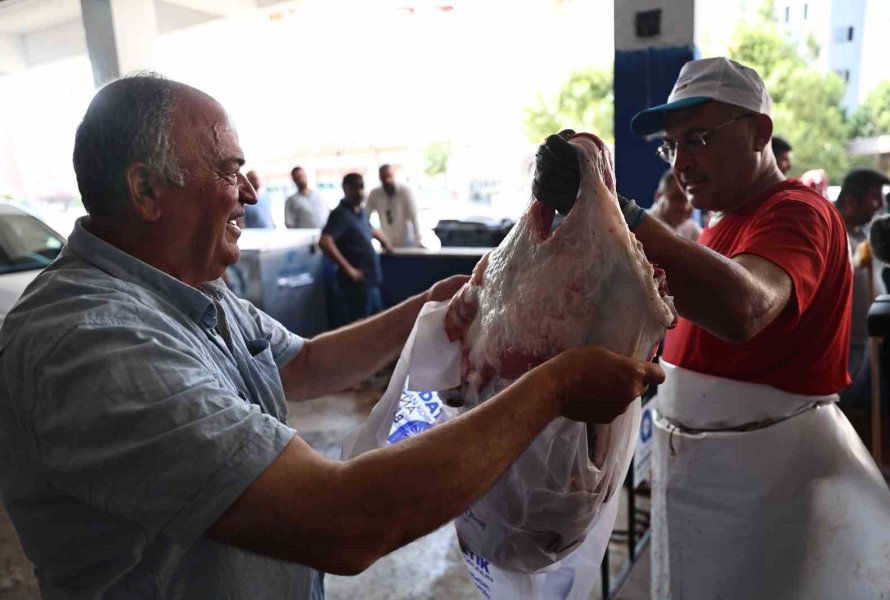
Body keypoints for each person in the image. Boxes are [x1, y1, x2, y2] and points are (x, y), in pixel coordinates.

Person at [0, 74, 664, 600]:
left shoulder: (191, 289)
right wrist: (553, 388)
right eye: (229, 170)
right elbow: (341, 522)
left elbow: (306, 365)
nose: (250, 191)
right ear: (147, 189)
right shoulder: (93, 347)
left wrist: (429, 308)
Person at [532, 57, 890, 600]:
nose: (682, 162)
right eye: (672, 146)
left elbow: (743, 309)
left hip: (770, 477)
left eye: (698, 138)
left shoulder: (797, 212)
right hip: (705, 470)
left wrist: (623, 217)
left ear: (759, 133)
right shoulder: (719, 226)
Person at [835, 168, 889, 407]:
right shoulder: (833, 234)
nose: (881, 204)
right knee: (842, 406)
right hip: (844, 344)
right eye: (875, 197)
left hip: (865, 338)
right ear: (849, 201)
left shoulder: (864, 233)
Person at [319, 173, 393, 325]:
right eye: (354, 188)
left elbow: (369, 229)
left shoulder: (360, 212)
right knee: (362, 328)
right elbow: (325, 241)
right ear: (345, 189)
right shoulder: (340, 214)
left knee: (378, 325)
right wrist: (348, 269)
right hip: (356, 286)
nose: (359, 192)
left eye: (361, 187)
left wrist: (385, 242)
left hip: (371, 281)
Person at [366, 164, 423, 247]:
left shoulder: (405, 192)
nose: (387, 180)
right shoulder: (375, 194)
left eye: (389, 176)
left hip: (406, 241)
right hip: (387, 243)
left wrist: (418, 241)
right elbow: (365, 216)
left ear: (394, 175)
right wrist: (375, 235)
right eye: (383, 177)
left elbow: (414, 217)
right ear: (380, 178)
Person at [646, 169, 701, 241]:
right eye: (676, 198)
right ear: (658, 197)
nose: (684, 207)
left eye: (687, 200)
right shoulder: (643, 224)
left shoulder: (690, 227)